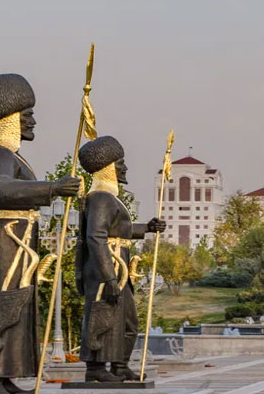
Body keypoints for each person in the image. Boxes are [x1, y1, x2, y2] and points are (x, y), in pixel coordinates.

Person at [0, 73, 82, 394]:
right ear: (8, 119)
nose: (33, 122)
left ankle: (4, 375)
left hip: (12, 241)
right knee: (1, 304)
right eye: (26, 116)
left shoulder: (7, 154)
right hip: (0, 241)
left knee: (15, 306)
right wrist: (53, 187)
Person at [74, 136, 165, 383]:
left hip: (117, 266)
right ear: (107, 168)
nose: (124, 168)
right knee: (102, 317)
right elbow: (96, 237)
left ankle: (119, 365)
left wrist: (147, 227)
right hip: (107, 268)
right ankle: (95, 368)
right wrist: (110, 278)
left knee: (126, 320)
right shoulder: (101, 197)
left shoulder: (110, 198)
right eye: (120, 163)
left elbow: (118, 229)